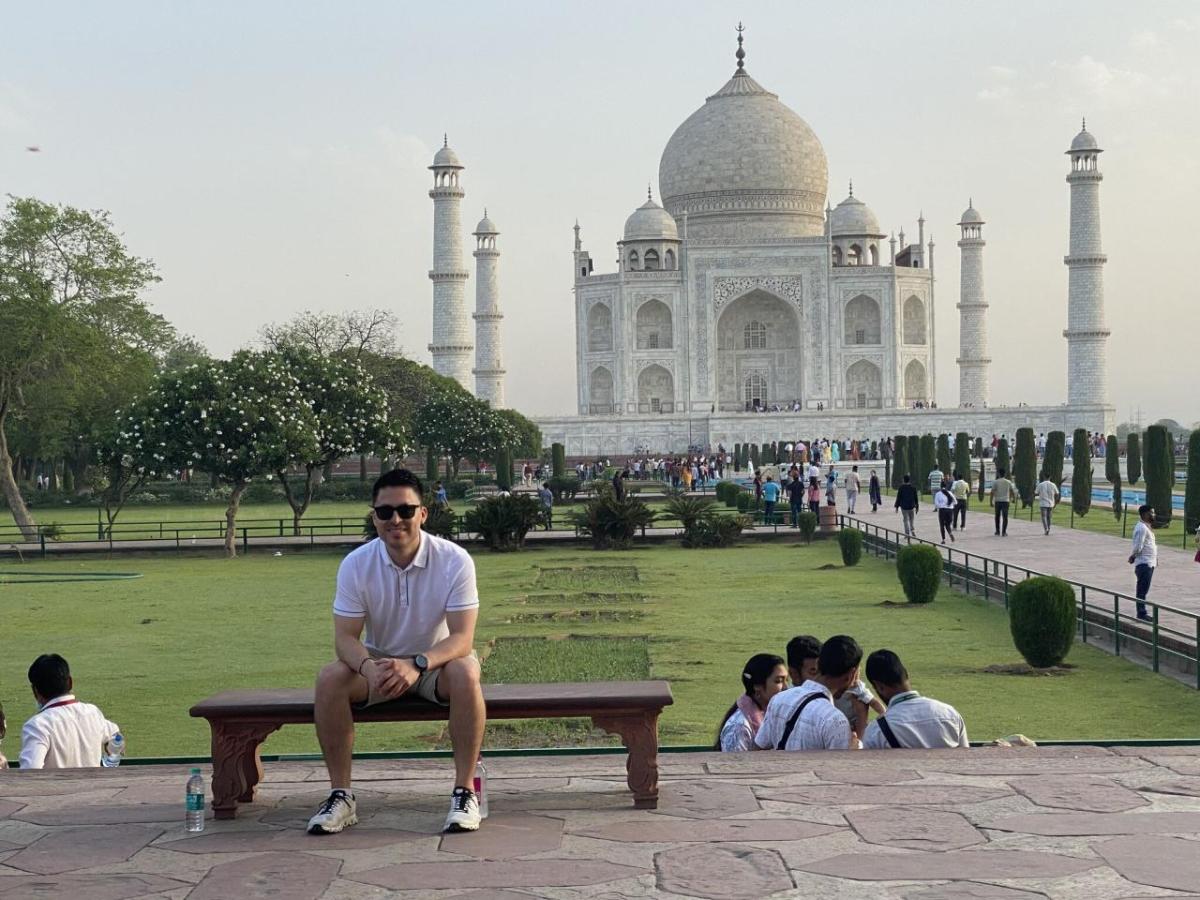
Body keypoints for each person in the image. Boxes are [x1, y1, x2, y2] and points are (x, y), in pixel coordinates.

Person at [308, 469, 485, 836]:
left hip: (435, 663)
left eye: (406, 510)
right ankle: (341, 794)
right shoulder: (357, 563)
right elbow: (345, 639)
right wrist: (369, 668)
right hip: (380, 663)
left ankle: (464, 791)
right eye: (385, 512)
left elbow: (463, 638)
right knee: (330, 678)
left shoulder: (453, 559)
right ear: (374, 516)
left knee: (467, 671)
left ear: (423, 513)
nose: (396, 520)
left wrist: (418, 664)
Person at [753, 635, 863, 751]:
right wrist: (854, 750)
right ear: (852, 674)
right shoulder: (835, 721)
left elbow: (758, 748)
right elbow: (840, 767)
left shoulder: (779, 699)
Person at [20, 654, 120, 769]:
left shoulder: (37, 726)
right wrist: (111, 760)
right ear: (70, 682)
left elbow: (31, 772)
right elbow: (116, 736)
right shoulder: (92, 713)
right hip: (94, 786)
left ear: (35, 692)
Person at [861, 650, 969, 749]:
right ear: (907, 674)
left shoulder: (876, 731)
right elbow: (966, 758)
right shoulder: (950, 714)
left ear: (879, 686)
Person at [785, 635, 882, 741]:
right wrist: (861, 716)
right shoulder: (833, 719)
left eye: (820, 669)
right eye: (813, 671)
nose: (820, 676)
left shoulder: (779, 701)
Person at [716, 654, 789, 751]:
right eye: (778, 681)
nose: (786, 687)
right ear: (757, 686)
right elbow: (733, 765)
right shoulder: (739, 727)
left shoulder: (776, 714)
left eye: (786, 680)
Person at [1129, 504, 1157, 621]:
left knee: (1143, 589)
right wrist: (1133, 556)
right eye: (1152, 512)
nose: (1153, 515)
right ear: (1145, 514)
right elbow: (1138, 546)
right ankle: (1141, 613)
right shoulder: (1141, 528)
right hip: (1144, 563)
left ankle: (1141, 611)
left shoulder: (1145, 527)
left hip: (1148, 562)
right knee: (1142, 590)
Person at [990, 468, 1015, 536]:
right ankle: (1004, 532)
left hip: (998, 501)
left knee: (997, 516)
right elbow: (1012, 491)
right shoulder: (1008, 482)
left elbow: (992, 492)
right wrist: (1013, 499)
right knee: (1005, 517)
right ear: (1005, 474)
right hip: (1005, 501)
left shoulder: (996, 482)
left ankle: (997, 531)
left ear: (998, 474)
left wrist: (991, 501)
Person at [1034, 471, 1060, 535]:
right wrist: (1056, 501)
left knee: (1044, 516)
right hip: (1051, 503)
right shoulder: (1053, 484)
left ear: (1044, 477)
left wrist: (1039, 494)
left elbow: (1036, 493)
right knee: (1049, 517)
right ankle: (1049, 528)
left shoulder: (1041, 484)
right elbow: (1057, 493)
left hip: (1043, 503)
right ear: (1050, 477)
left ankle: (1046, 529)